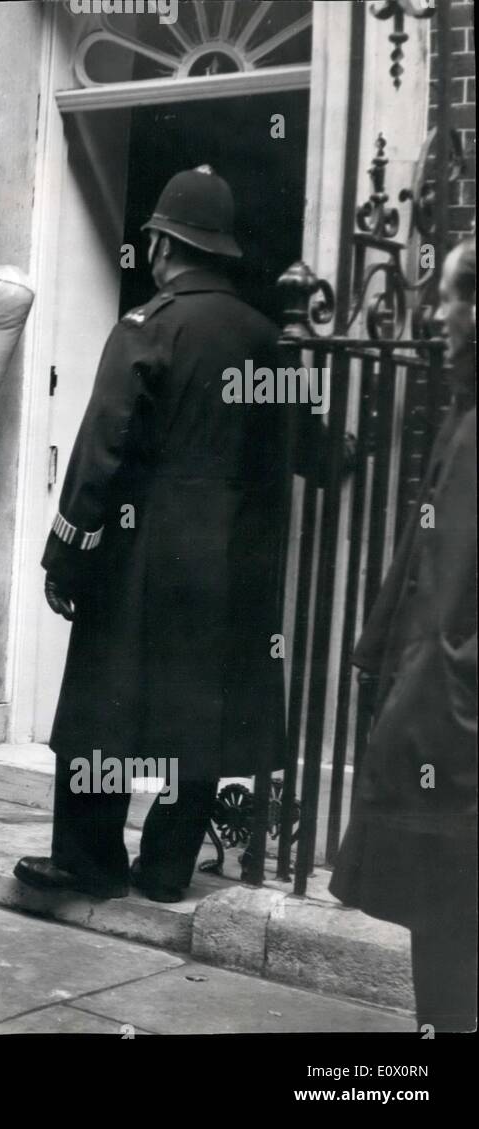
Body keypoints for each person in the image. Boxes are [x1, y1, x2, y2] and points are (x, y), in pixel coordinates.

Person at [16, 166, 291, 903]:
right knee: (201, 710)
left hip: (140, 557)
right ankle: (168, 866)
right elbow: (304, 450)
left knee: (99, 713)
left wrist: (67, 555)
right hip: (232, 561)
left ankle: (89, 861)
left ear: (165, 245)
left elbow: (101, 451)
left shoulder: (148, 328)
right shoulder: (269, 338)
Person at [330, 235, 477, 1033]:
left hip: (453, 732)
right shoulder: (463, 413)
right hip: (446, 720)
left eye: (451, 297)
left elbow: (449, 593)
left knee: (450, 929)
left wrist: (416, 706)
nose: (437, 315)